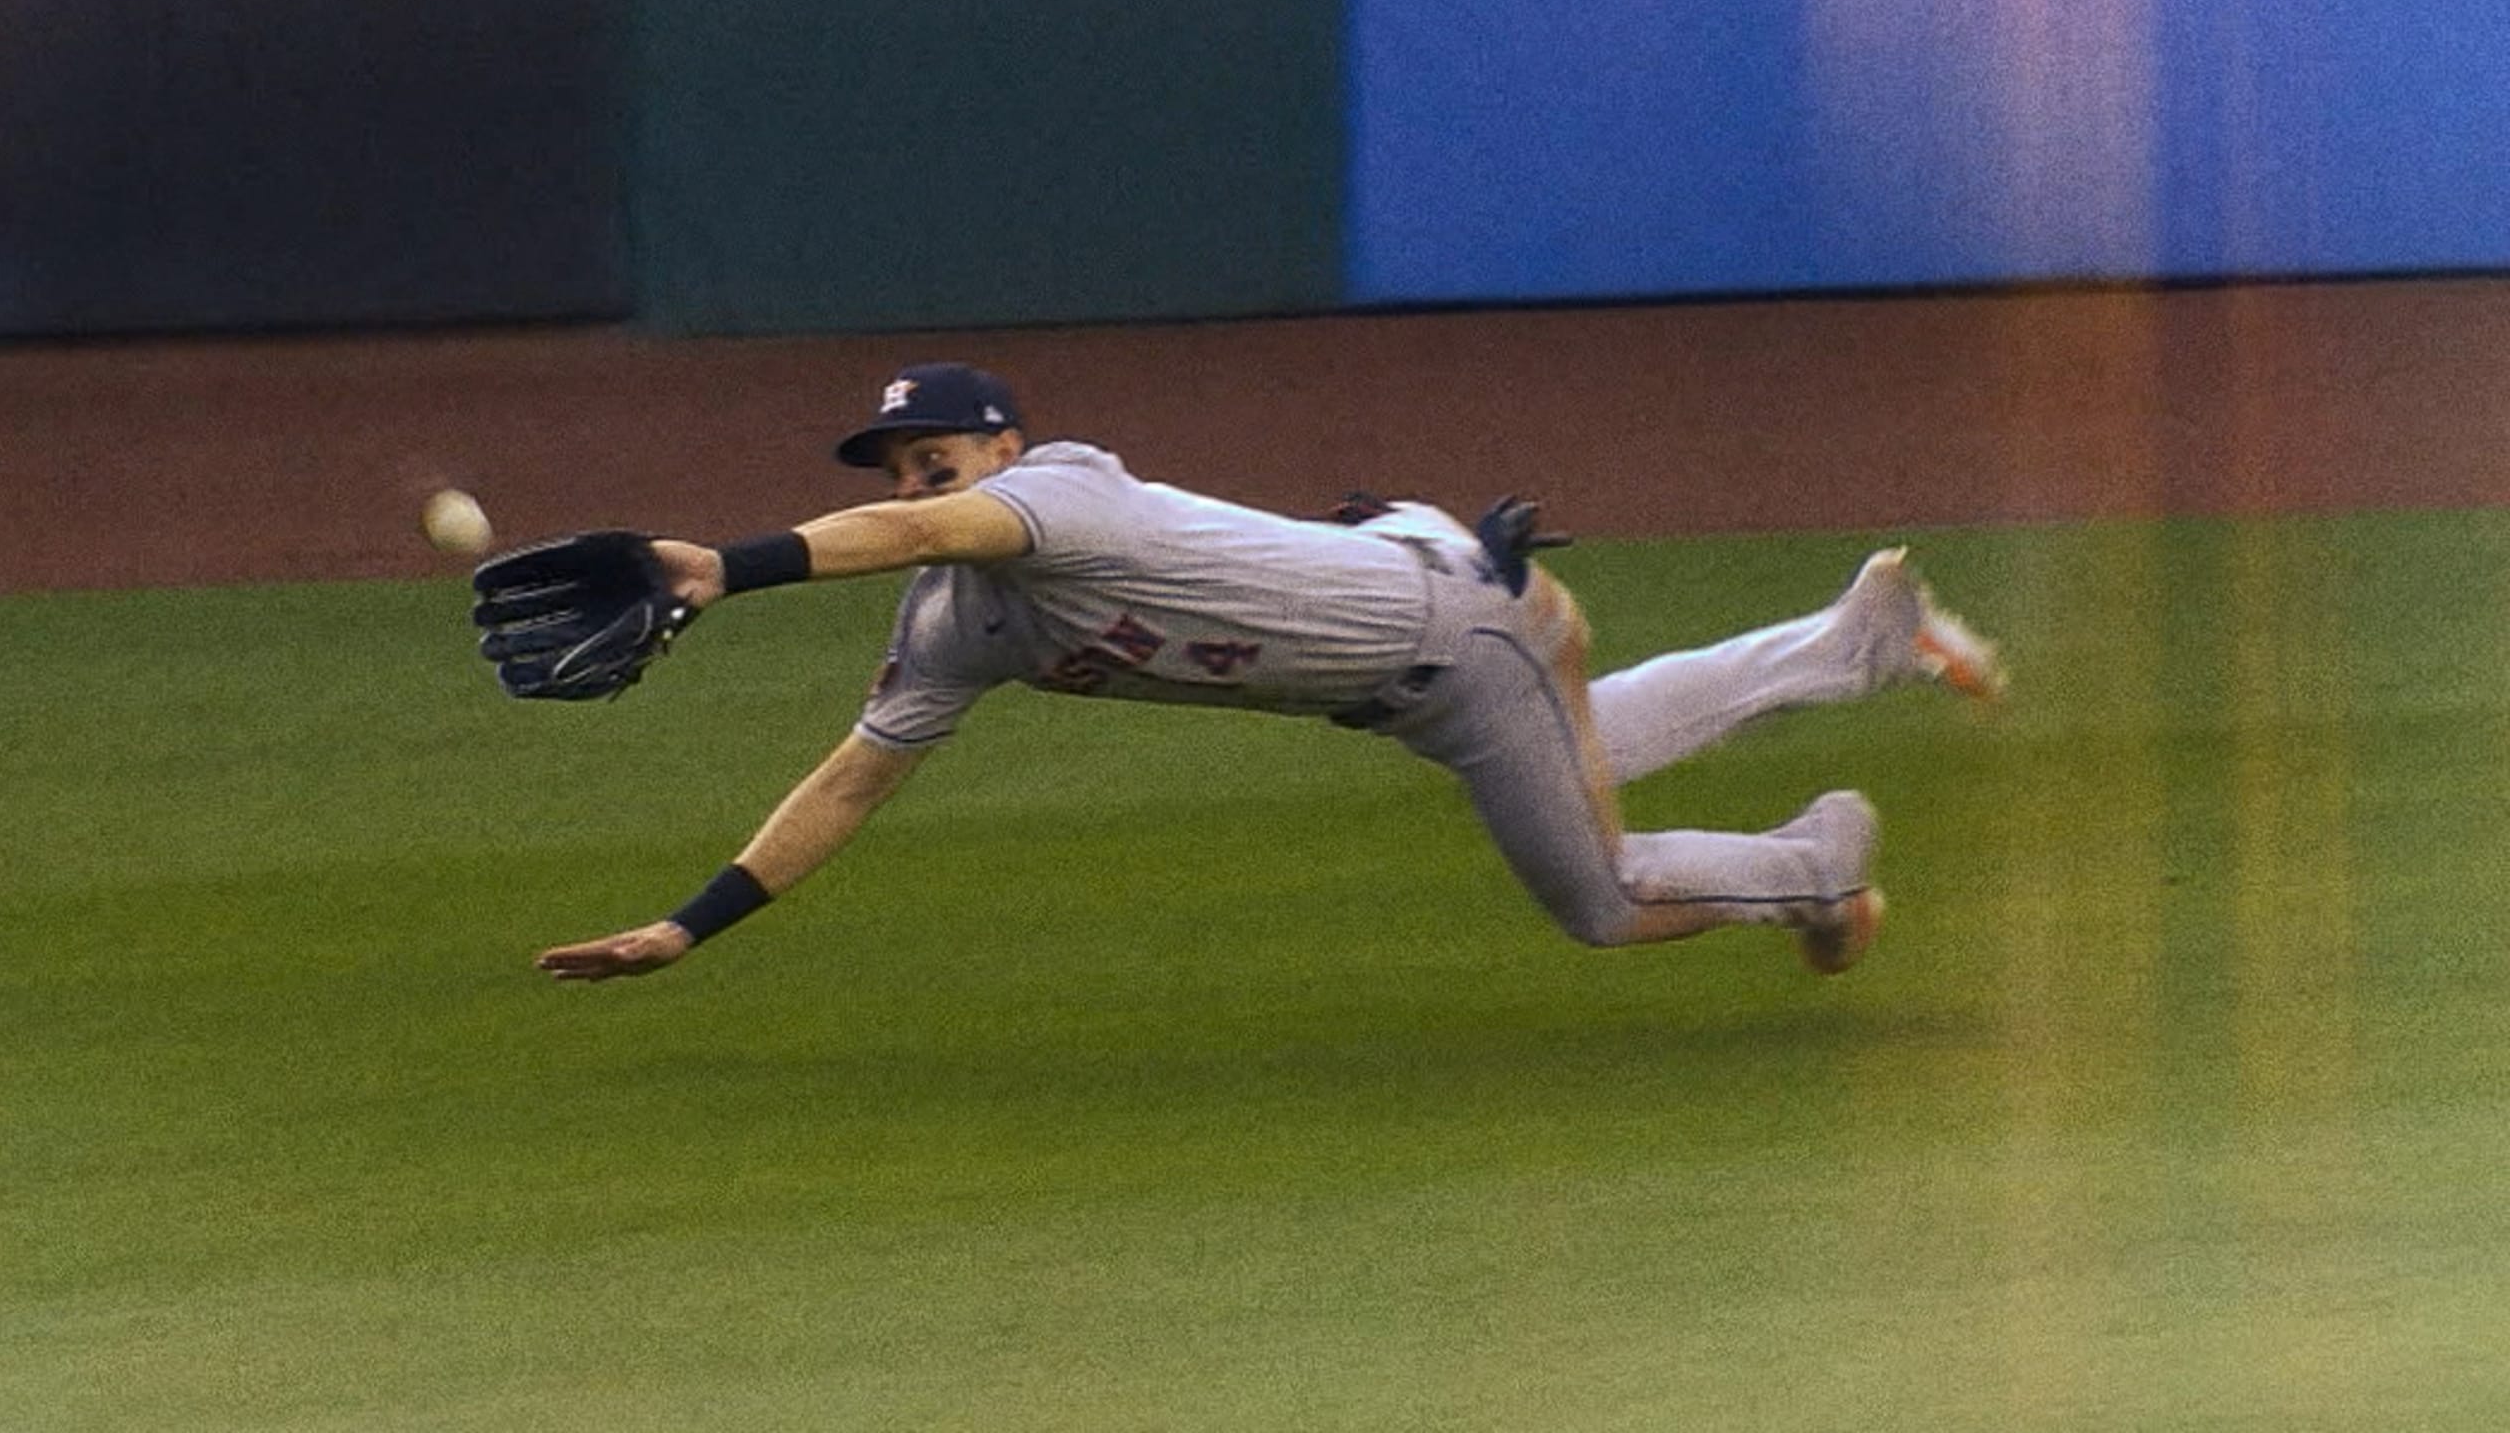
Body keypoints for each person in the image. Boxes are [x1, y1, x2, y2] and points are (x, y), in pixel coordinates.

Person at [534, 362, 2003, 983]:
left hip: (1451, 637)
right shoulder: (956, 623)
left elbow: (921, 526)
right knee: (1581, 739)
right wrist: (690, 925)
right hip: (1432, 621)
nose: (915, 468)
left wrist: (727, 566)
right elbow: (855, 777)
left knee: (1604, 899)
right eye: (892, 453)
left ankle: (1818, 865)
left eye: (938, 447)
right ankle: (1849, 642)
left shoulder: (1063, 490)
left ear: (999, 447)